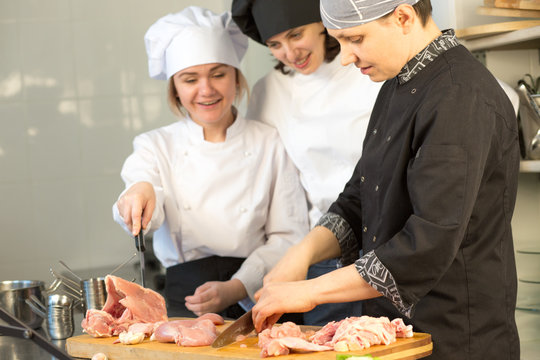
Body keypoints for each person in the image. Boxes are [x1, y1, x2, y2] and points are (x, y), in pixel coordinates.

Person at [251, 1, 520, 359]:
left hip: (456, 336)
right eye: (339, 41)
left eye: (355, 39)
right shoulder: (397, 85)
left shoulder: (459, 95)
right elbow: (360, 197)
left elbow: (427, 243)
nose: (346, 57)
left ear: (404, 17)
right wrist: (302, 254)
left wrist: (312, 291)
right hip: (394, 333)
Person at [112, 6, 309, 319]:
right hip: (187, 299)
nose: (206, 90)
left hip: (261, 290)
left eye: (218, 74)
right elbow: (141, 184)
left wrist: (237, 286)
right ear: (174, 88)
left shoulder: (270, 141)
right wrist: (139, 193)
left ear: (236, 78)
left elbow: (290, 235)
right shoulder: (154, 145)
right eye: (190, 79)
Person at [231, 0, 382, 326]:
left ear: (322, 22)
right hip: (321, 255)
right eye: (275, 44)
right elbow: (265, 177)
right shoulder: (268, 91)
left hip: (390, 248)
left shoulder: (370, 66)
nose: (289, 52)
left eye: (296, 35)